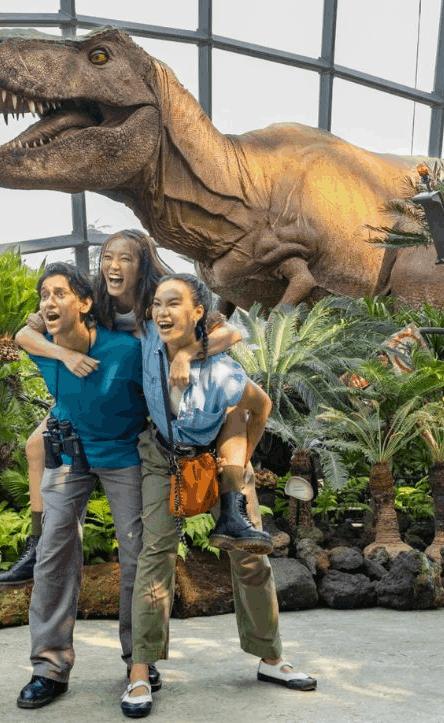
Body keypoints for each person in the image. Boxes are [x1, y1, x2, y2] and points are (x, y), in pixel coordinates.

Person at [122, 273, 316, 718]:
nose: (162, 312)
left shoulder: (224, 372)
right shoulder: (150, 338)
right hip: (162, 457)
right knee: (156, 554)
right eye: (157, 303)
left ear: (197, 314)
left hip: (216, 460)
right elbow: (234, 329)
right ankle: (140, 670)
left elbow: (260, 406)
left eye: (174, 304)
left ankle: (271, 658)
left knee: (250, 555)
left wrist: (242, 461)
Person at [0, 230, 238, 586]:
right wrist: (66, 353)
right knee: (36, 445)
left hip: (156, 392)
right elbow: (25, 334)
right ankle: (36, 545)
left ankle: (231, 511)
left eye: (125, 258)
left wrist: (187, 353)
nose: (113, 265)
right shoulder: (94, 296)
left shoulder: (161, 297)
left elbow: (229, 333)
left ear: (142, 265)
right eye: (108, 256)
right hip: (105, 386)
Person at [14, 262, 147, 710]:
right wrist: (64, 354)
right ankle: (48, 668)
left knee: (135, 554)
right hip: (70, 455)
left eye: (59, 294)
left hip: (123, 455)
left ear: (85, 303)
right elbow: (22, 336)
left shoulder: (125, 352)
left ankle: (139, 661)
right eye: (43, 295)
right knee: (52, 551)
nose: (49, 302)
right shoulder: (45, 347)